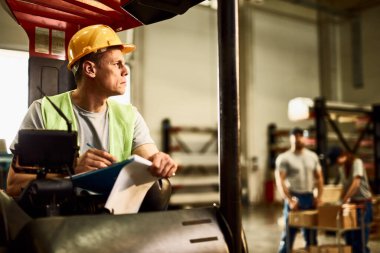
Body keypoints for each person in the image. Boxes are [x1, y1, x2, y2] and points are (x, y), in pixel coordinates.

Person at [6, 24, 177, 198]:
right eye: (117, 64)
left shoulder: (129, 116)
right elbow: (14, 185)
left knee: (159, 192)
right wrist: (70, 170)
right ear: (90, 69)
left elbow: (150, 159)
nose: (125, 71)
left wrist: (160, 161)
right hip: (59, 218)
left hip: (111, 217)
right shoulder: (43, 111)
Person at [275, 127, 324, 253]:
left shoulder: (312, 156)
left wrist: (319, 197)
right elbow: (280, 181)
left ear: (304, 138)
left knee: (312, 236)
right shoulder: (284, 158)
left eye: (300, 136)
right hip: (295, 198)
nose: (298, 140)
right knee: (288, 236)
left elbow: (319, 178)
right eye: (295, 137)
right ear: (291, 139)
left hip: (309, 197)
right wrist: (290, 200)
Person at [334, 147, 373, 253]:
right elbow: (344, 186)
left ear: (343, 156)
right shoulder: (341, 168)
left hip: (363, 204)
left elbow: (356, 183)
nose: (337, 164)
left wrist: (345, 199)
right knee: (349, 239)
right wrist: (338, 201)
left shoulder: (357, 162)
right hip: (351, 205)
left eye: (338, 160)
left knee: (360, 241)